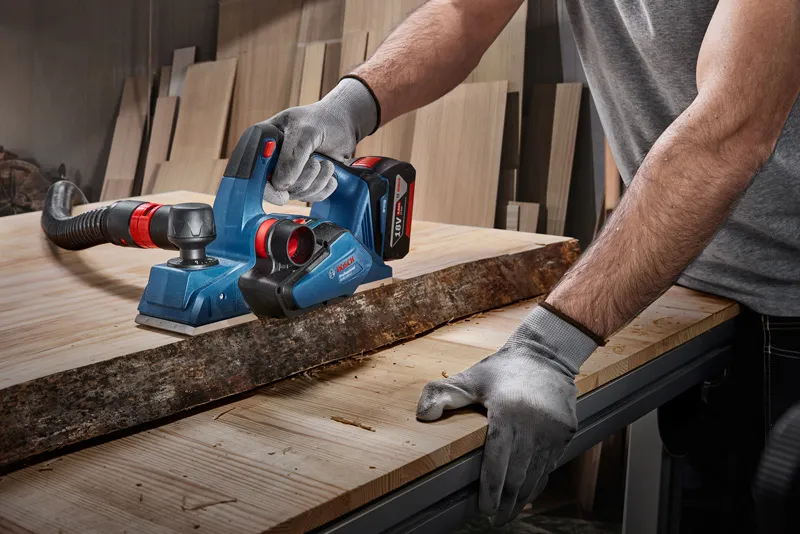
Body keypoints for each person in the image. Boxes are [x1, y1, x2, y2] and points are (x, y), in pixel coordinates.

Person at [259, 0, 800, 528]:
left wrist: (546, 348)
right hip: (695, 283)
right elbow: (467, 13)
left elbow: (732, 126)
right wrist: (350, 106)